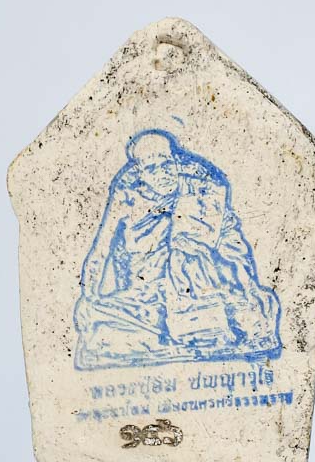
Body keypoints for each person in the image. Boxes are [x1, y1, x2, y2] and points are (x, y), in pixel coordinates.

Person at [74, 129, 281, 369]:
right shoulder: (128, 195)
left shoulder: (201, 191)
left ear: (175, 162)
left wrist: (249, 287)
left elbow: (234, 247)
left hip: (203, 291)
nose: (162, 173)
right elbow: (100, 251)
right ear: (140, 173)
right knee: (100, 318)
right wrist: (88, 296)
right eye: (152, 169)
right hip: (149, 297)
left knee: (249, 310)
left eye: (166, 164)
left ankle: (198, 329)